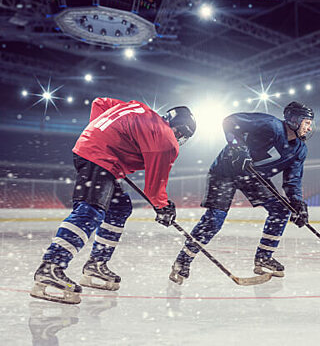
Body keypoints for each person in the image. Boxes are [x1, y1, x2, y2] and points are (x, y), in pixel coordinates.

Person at [30, 97, 196, 304]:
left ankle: (96, 264)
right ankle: (50, 268)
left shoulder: (138, 108)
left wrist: (104, 136)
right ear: (179, 131)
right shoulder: (167, 139)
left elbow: (99, 103)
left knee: (120, 208)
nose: (180, 140)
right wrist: (163, 207)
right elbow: (154, 185)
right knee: (91, 210)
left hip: (95, 152)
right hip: (99, 157)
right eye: (183, 136)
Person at [169, 101, 314, 284]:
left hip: (253, 177)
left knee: (282, 210)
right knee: (215, 219)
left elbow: (292, 180)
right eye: (306, 122)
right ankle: (183, 260)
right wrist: (239, 149)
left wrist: (297, 203)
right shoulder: (270, 124)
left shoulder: (300, 150)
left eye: (310, 124)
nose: (309, 128)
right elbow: (229, 121)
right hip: (225, 172)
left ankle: (264, 257)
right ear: (294, 120)